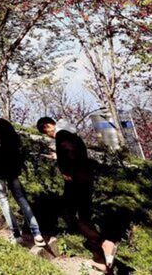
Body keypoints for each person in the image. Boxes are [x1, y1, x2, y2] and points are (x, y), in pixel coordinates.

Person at [37, 116, 117, 271]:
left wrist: (67, 171)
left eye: (46, 132)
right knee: (85, 217)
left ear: (47, 126)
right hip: (86, 179)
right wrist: (59, 157)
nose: (49, 135)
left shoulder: (61, 135)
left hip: (76, 181)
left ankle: (105, 244)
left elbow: (70, 152)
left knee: (69, 215)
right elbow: (75, 152)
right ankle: (100, 260)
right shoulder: (71, 133)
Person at [0, 97, 44, 245]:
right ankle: (37, 233)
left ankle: (16, 234)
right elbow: (17, 144)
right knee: (21, 198)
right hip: (12, 166)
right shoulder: (5, 123)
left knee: (3, 199)